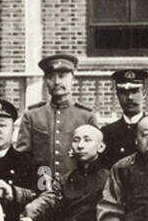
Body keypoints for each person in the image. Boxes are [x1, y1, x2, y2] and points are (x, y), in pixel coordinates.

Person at [16, 54, 98, 182]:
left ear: (73, 79)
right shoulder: (32, 115)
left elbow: (94, 157)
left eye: (62, 76)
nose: (56, 82)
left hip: (77, 187)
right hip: (41, 185)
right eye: (50, 77)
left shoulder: (86, 116)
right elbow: (22, 157)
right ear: (45, 81)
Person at [98, 68, 148, 170]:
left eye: (134, 91)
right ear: (117, 95)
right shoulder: (108, 133)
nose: (129, 97)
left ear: (144, 93)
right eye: (123, 92)